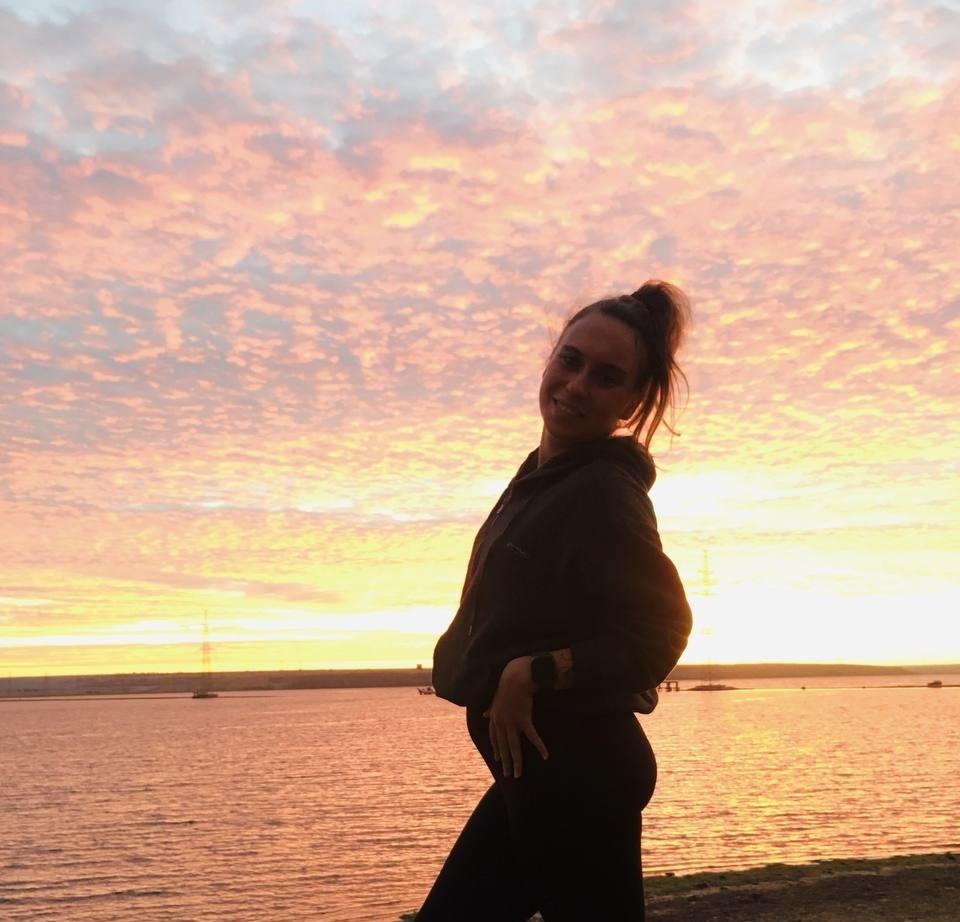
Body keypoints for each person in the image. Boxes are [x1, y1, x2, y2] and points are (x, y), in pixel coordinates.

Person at [417, 281, 693, 922]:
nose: (577, 385)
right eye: (570, 360)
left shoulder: (603, 490)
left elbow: (661, 630)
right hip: (541, 777)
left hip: (582, 778)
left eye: (606, 377)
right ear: (550, 359)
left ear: (631, 402)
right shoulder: (540, 478)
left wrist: (536, 671)